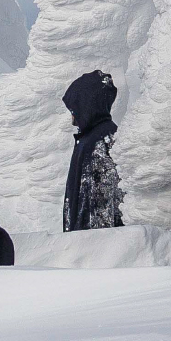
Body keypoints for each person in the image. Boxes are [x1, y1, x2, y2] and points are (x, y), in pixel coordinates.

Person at [63, 69, 124, 231]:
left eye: (75, 110)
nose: (72, 118)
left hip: (96, 244)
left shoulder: (100, 140)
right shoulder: (90, 137)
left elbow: (99, 206)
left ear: (87, 106)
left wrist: (87, 245)